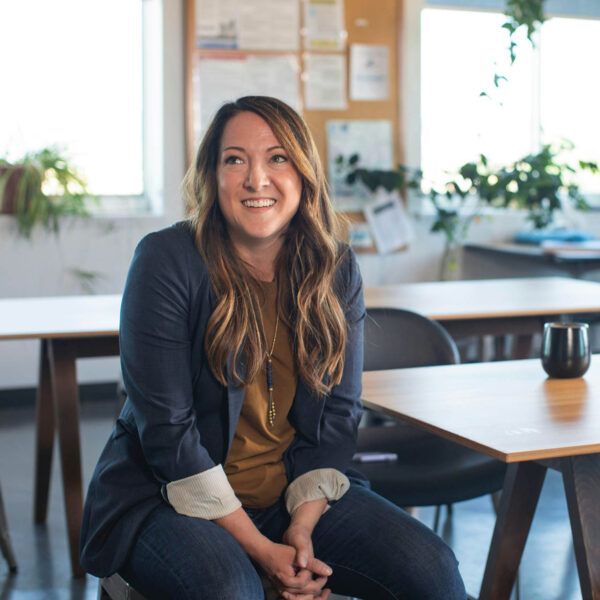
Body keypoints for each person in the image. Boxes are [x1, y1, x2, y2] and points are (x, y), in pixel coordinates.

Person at [80, 96, 466, 600]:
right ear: (212, 176)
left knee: (431, 569)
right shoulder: (167, 260)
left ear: (303, 172)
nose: (256, 179)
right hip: (166, 499)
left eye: (277, 158)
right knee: (232, 589)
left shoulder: (336, 268)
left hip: (291, 495)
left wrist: (301, 532)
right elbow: (168, 436)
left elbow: (338, 418)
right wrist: (264, 554)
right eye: (234, 159)